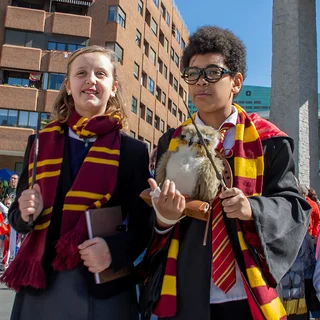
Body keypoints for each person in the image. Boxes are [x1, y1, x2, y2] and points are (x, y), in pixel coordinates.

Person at [139, 26, 310, 320]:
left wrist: (253, 208)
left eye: (213, 73)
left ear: (236, 82)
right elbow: (152, 220)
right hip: (187, 288)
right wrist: (165, 218)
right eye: (193, 74)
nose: (201, 82)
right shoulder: (172, 141)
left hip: (249, 290)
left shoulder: (269, 141)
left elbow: (295, 207)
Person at [1, 45, 152, 320]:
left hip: (105, 289)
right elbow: (18, 218)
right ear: (69, 86)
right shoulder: (38, 145)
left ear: (114, 87)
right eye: (81, 73)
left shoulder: (133, 152)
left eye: (100, 74)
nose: (91, 80)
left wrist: (114, 251)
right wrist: (22, 213)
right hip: (41, 286)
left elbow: (144, 226)